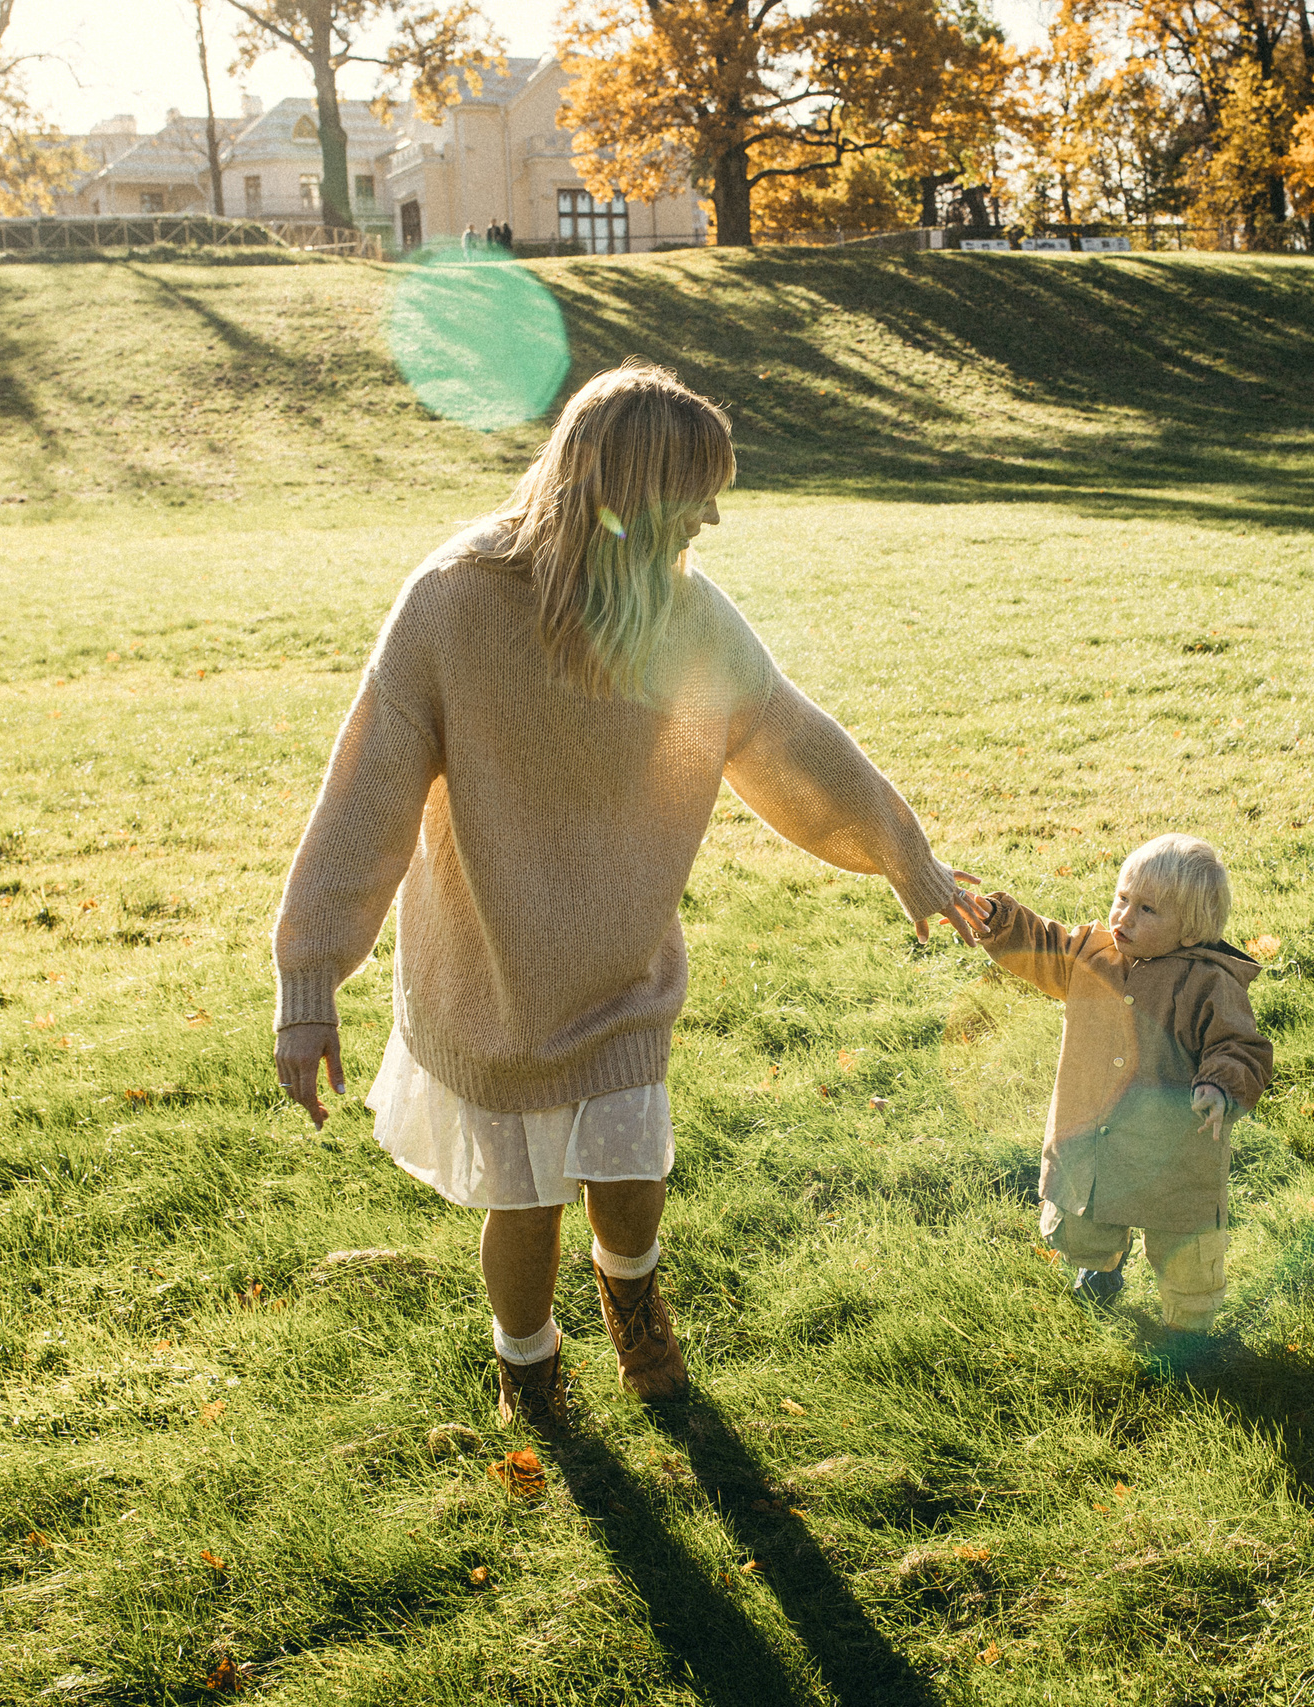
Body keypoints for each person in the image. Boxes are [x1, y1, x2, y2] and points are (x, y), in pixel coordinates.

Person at [271, 361, 982, 1432]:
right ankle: (527, 1365)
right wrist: (308, 980)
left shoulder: (686, 614)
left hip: (622, 965)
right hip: (492, 973)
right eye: (696, 492)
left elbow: (791, 738)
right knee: (523, 1208)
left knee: (630, 1173)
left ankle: (632, 1298)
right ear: (628, 487)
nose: (711, 518)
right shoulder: (454, 601)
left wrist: (904, 855)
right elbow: (365, 791)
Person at [970, 834, 1271, 1337]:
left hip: (1175, 1149)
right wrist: (997, 919)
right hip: (1096, 1134)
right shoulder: (1093, 954)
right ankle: (1101, 1268)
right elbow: (1041, 945)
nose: (1123, 917)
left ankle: (1188, 1327)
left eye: (1147, 909)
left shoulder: (1209, 983)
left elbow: (1238, 1046)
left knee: (1185, 1249)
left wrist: (1220, 1086)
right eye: (1122, 898)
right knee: (1087, 1219)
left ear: (1191, 929)